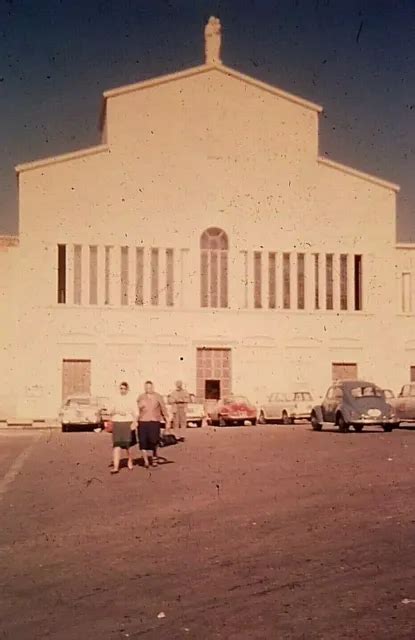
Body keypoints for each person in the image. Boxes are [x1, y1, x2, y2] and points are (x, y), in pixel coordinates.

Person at [137, 381, 169, 468]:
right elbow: (136, 409)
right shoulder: (141, 397)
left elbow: (163, 409)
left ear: (153, 387)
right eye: (146, 388)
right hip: (142, 421)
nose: (148, 389)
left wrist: (167, 420)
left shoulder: (158, 396)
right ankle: (146, 461)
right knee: (143, 441)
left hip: (154, 421)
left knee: (154, 441)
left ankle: (154, 458)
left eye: (150, 388)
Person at [109, 381, 137, 474]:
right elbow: (110, 410)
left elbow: (135, 412)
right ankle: (116, 467)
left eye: (124, 389)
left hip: (127, 422)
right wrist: (117, 411)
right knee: (116, 445)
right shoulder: (115, 398)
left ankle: (129, 460)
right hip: (117, 422)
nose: (123, 390)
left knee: (128, 445)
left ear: (127, 389)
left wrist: (135, 422)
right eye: (121, 388)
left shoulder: (131, 399)